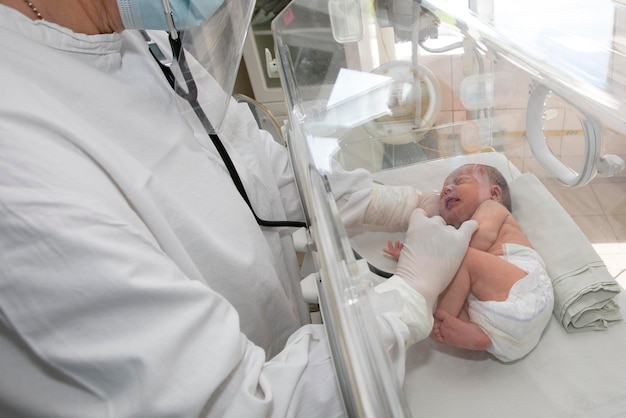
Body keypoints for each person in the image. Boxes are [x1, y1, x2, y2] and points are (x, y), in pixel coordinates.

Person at [0, 0, 478, 416]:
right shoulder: (19, 160)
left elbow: (258, 163)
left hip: (282, 347)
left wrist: (399, 202)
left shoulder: (137, 32)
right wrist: (410, 296)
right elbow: (236, 405)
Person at [384, 164, 554, 362]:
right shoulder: (461, 238)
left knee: (465, 258)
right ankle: (479, 334)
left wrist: (427, 256)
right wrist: (417, 257)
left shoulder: (491, 208)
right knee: (459, 283)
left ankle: (439, 318)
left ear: (494, 193)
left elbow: (478, 240)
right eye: (444, 190)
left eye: (460, 182)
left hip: (526, 289)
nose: (447, 189)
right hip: (503, 323)